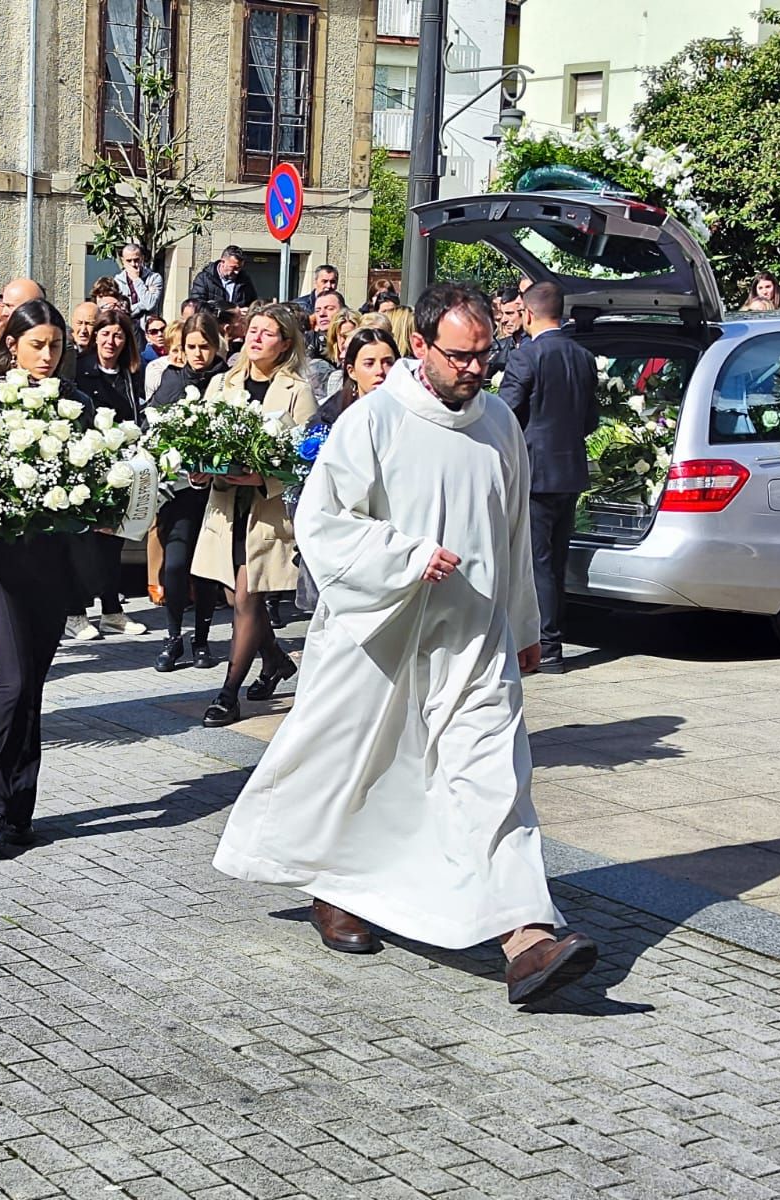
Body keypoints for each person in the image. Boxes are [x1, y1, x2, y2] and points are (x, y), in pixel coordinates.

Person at [212, 282, 599, 1007]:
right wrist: (406, 557)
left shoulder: (499, 428)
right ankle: (336, 891)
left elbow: (513, 535)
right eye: (462, 356)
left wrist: (522, 627)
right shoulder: (373, 423)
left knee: (496, 780)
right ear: (421, 346)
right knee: (358, 770)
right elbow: (324, 526)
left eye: (486, 354)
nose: (477, 370)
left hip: (473, 640)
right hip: (378, 639)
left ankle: (525, 938)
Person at [0, 299, 94, 859]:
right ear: (12, 345)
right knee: (10, 680)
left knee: (30, 686)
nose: (47, 356)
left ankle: (19, 808)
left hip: (51, 568)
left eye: (56, 346)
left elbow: (105, 483)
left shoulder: (77, 405)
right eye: (37, 344)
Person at [191, 303, 317, 727]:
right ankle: (277, 659)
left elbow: (305, 462)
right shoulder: (222, 383)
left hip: (265, 511)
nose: (256, 337)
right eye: (253, 330)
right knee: (234, 596)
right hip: (226, 507)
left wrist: (262, 478)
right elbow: (202, 439)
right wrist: (197, 470)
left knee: (247, 597)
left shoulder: (297, 390)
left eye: (268, 333)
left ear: (284, 345)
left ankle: (227, 695)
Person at [498, 281, 599, 675]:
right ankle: (552, 642)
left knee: (535, 561)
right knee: (554, 561)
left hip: (534, 470)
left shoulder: (527, 357)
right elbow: (590, 420)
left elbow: (504, 413)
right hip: (570, 470)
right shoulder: (583, 357)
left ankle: (546, 646)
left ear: (526, 312)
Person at [147, 310, 224, 671]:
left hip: (216, 493)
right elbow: (152, 427)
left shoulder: (225, 379)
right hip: (178, 492)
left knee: (205, 569)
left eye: (204, 347)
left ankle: (202, 640)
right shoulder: (172, 379)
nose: (197, 354)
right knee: (176, 565)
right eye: (191, 346)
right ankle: (173, 636)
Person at [68, 308, 149, 642]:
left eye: (117, 335)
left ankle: (112, 611)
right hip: (87, 466)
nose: (111, 341)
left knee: (112, 542)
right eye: (105, 334)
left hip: (119, 466)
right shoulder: (79, 370)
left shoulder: (130, 374)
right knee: (82, 545)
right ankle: (75, 612)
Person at [318, 327, 398, 426]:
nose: (380, 371)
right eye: (369, 364)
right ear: (352, 371)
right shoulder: (331, 416)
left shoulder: (411, 408)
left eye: (388, 362)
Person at [190, 245, 258, 309]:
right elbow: (197, 306)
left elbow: (253, 304)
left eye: (239, 268)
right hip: (212, 321)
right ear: (222, 262)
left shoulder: (245, 280)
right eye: (233, 268)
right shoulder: (204, 279)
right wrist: (227, 311)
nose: (237, 272)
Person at [114, 243, 164, 325]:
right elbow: (121, 310)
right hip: (126, 327)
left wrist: (136, 280)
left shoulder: (154, 278)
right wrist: (142, 304)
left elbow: (150, 304)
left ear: (142, 259)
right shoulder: (117, 281)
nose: (133, 264)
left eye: (136, 260)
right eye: (129, 261)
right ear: (123, 261)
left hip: (147, 329)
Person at [489, 287, 525, 377]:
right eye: (503, 313)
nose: (503, 320)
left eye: (510, 313)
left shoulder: (540, 347)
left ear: (525, 312)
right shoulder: (498, 348)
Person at [143, 319, 182, 398]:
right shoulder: (146, 363)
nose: (160, 334)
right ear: (147, 337)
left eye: (163, 329)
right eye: (154, 331)